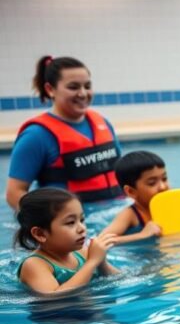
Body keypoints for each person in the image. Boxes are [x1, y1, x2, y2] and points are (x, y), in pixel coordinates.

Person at [7, 56, 123, 209]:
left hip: (117, 212)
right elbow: (14, 193)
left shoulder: (103, 123)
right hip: (74, 226)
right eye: (73, 87)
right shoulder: (36, 136)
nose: (82, 93)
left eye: (87, 86)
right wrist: (49, 222)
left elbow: (122, 172)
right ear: (50, 89)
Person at [15, 188, 118, 293]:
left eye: (82, 220)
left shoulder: (82, 252)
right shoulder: (34, 264)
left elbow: (119, 278)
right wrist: (92, 262)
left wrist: (101, 262)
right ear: (40, 234)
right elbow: (54, 297)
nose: (82, 228)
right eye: (70, 222)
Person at [101, 151, 180, 244]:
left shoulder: (175, 203)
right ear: (131, 191)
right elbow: (101, 242)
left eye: (164, 178)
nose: (162, 187)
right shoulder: (130, 215)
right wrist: (142, 235)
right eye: (152, 183)